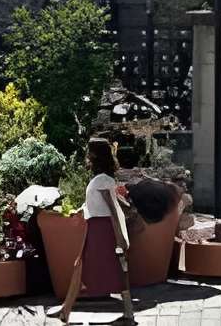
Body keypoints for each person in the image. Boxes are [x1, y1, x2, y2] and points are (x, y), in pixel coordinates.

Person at [54, 137, 139, 325]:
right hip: (95, 227)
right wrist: (81, 209)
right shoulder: (101, 179)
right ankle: (65, 310)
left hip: (102, 229)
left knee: (115, 269)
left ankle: (128, 313)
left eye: (89, 151)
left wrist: (120, 238)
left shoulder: (102, 180)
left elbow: (113, 209)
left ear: (95, 155)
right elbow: (98, 203)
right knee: (81, 266)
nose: (86, 155)